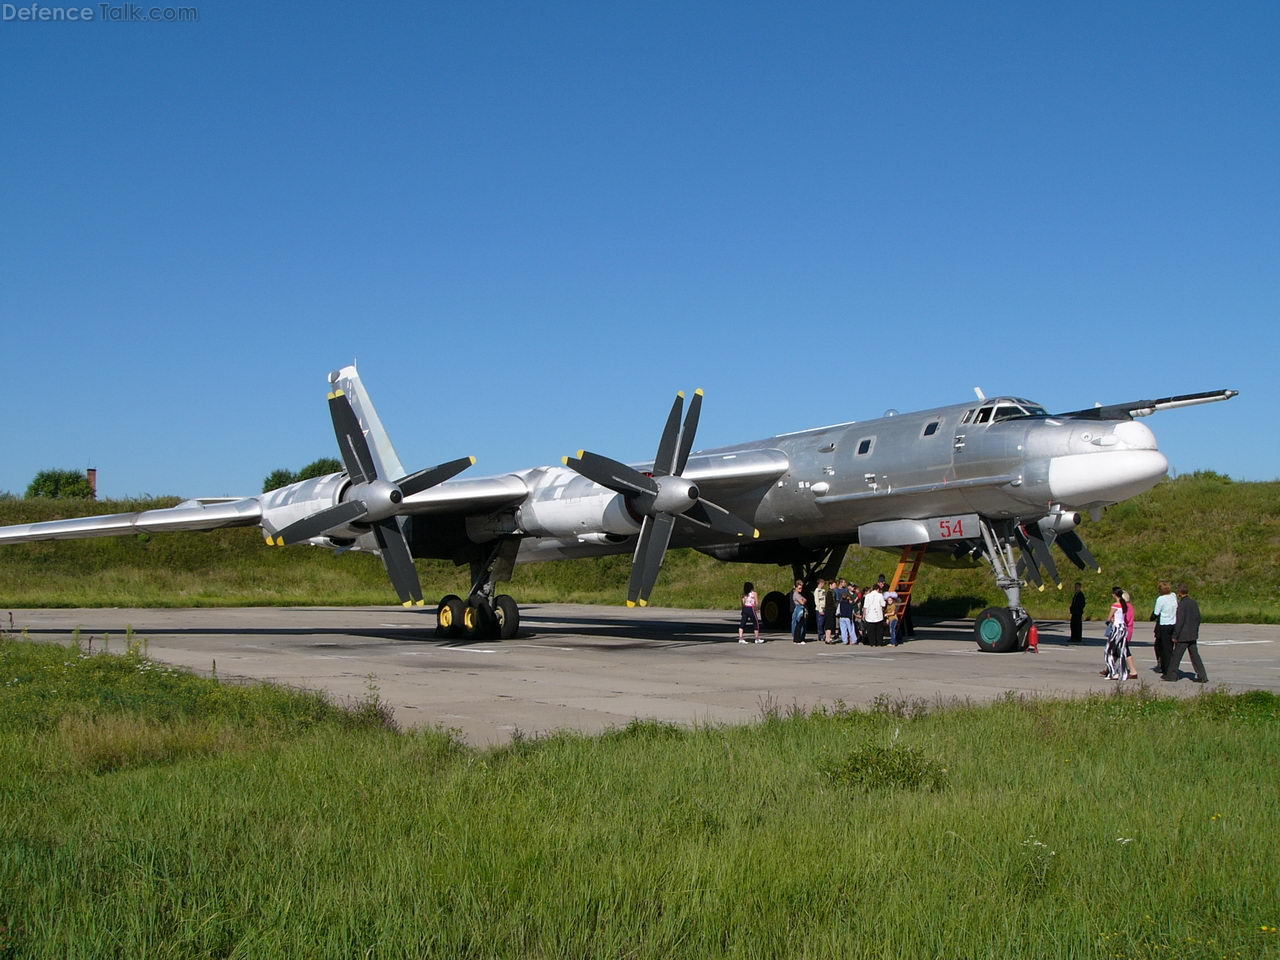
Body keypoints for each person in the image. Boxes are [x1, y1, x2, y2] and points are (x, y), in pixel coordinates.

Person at [1162, 583, 1208, 683]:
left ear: (1179, 593)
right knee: (1195, 656)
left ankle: (1171, 675)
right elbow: (1198, 618)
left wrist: (1175, 635)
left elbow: (1180, 622)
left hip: (1183, 635)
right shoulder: (1194, 603)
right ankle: (1202, 675)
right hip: (1192, 634)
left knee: (1176, 656)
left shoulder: (1182, 605)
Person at [1102, 586, 1130, 680]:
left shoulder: (1115, 605)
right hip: (1123, 629)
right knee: (1122, 651)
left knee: (1108, 651)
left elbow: (1109, 618)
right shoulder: (1124, 604)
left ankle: (1112, 672)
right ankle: (1123, 672)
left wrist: (1109, 621)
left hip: (1116, 629)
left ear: (1114, 595)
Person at [1152, 581, 1177, 675]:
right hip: (1173, 624)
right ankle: (1169, 666)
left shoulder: (1160, 599)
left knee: (1164, 648)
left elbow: (1156, 613)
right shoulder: (1173, 596)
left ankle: (1166, 669)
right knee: (1170, 647)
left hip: (1164, 624)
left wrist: (1152, 617)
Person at [862, 582, 886, 646]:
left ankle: (872, 643)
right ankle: (879, 642)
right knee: (879, 630)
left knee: (870, 631)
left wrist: (864, 615)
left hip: (869, 615)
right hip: (878, 615)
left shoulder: (867, 596)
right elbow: (883, 604)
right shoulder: (880, 595)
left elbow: (865, 607)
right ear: (878, 589)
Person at [1121, 589, 1138, 679]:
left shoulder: (1126, 607)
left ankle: (1133, 670)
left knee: (1125, 650)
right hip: (1128, 630)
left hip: (1125, 630)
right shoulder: (1130, 606)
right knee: (1116, 650)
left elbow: (1125, 619)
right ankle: (1108, 668)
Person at [814, 578, 833, 644]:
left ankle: (825, 635)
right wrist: (820, 609)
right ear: (819, 583)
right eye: (822, 583)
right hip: (819, 609)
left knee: (825, 622)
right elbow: (817, 601)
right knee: (820, 623)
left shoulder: (823, 590)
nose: (823, 585)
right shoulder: (817, 591)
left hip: (825, 608)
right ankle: (820, 635)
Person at [790, 579, 808, 644]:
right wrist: (803, 600)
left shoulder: (799, 594)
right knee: (799, 624)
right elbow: (802, 602)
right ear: (796, 587)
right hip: (799, 609)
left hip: (800, 608)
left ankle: (798, 638)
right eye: (799, 588)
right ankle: (798, 639)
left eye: (801, 588)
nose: (801, 589)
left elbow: (804, 600)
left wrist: (804, 600)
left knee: (801, 624)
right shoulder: (796, 594)